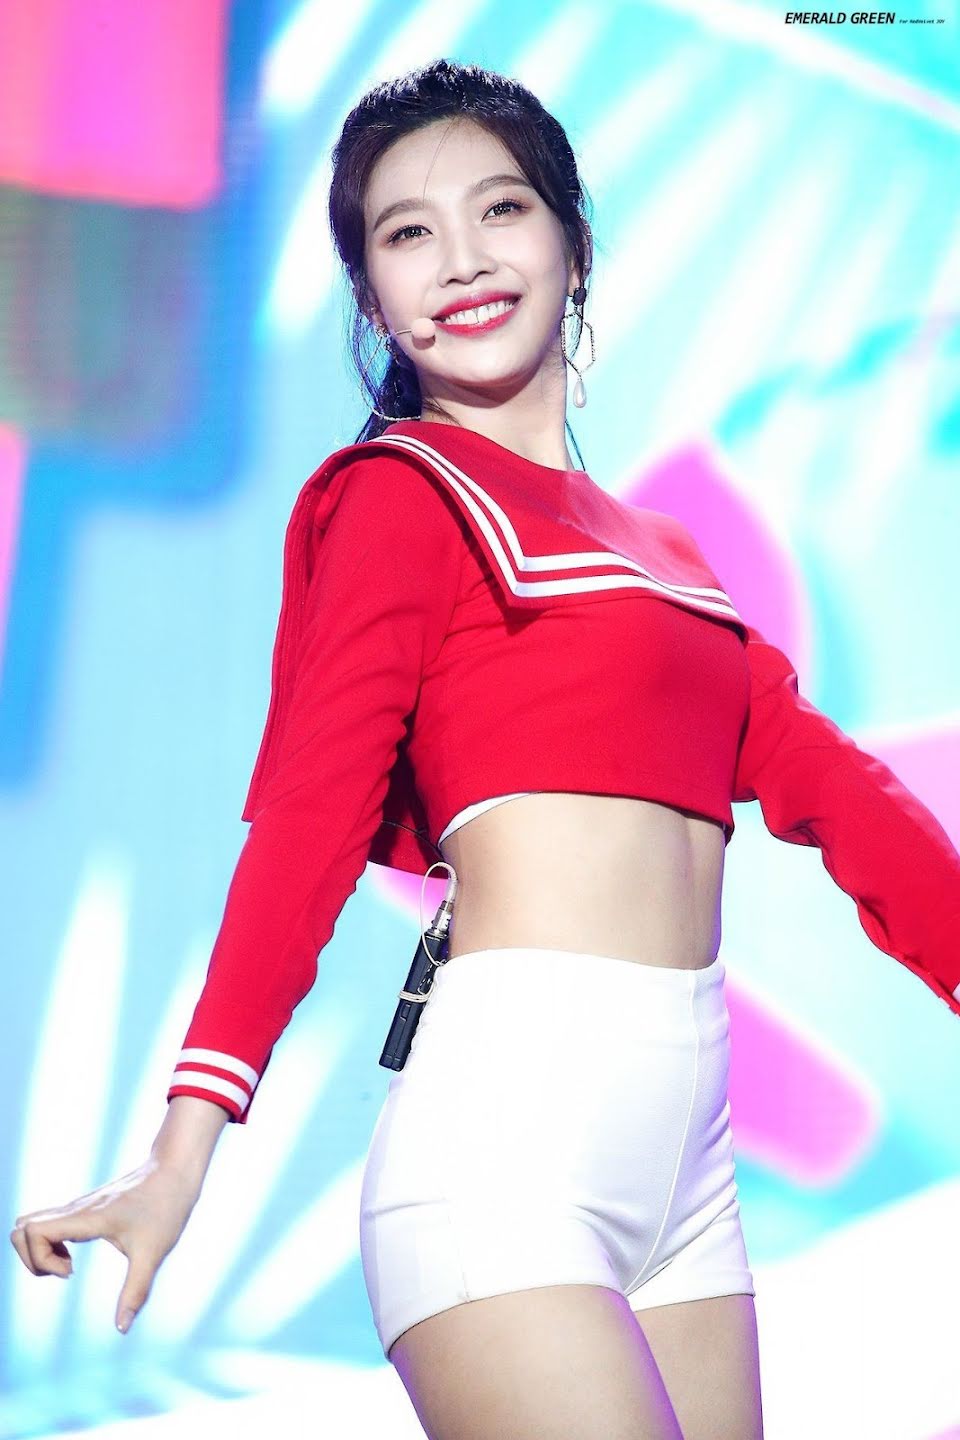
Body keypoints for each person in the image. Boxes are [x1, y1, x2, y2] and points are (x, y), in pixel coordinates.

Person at [10, 58, 960, 1440]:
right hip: (502, 1153)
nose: (460, 259)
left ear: (574, 242)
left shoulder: (670, 555)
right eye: (408, 232)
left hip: (691, 1177)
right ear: (372, 297)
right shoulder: (400, 498)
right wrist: (180, 1150)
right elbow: (309, 826)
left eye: (500, 209)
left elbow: (844, 797)